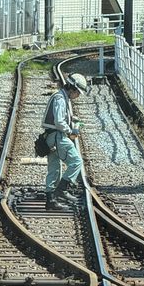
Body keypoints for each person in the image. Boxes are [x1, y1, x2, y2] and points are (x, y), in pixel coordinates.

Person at [41, 72, 90, 210]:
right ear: (72, 88)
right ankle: (62, 189)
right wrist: (70, 131)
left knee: (54, 169)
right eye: (78, 93)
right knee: (76, 161)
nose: (78, 96)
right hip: (58, 136)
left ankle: (50, 201)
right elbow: (58, 121)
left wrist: (72, 119)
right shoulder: (60, 99)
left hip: (50, 137)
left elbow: (60, 118)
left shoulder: (61, 97)